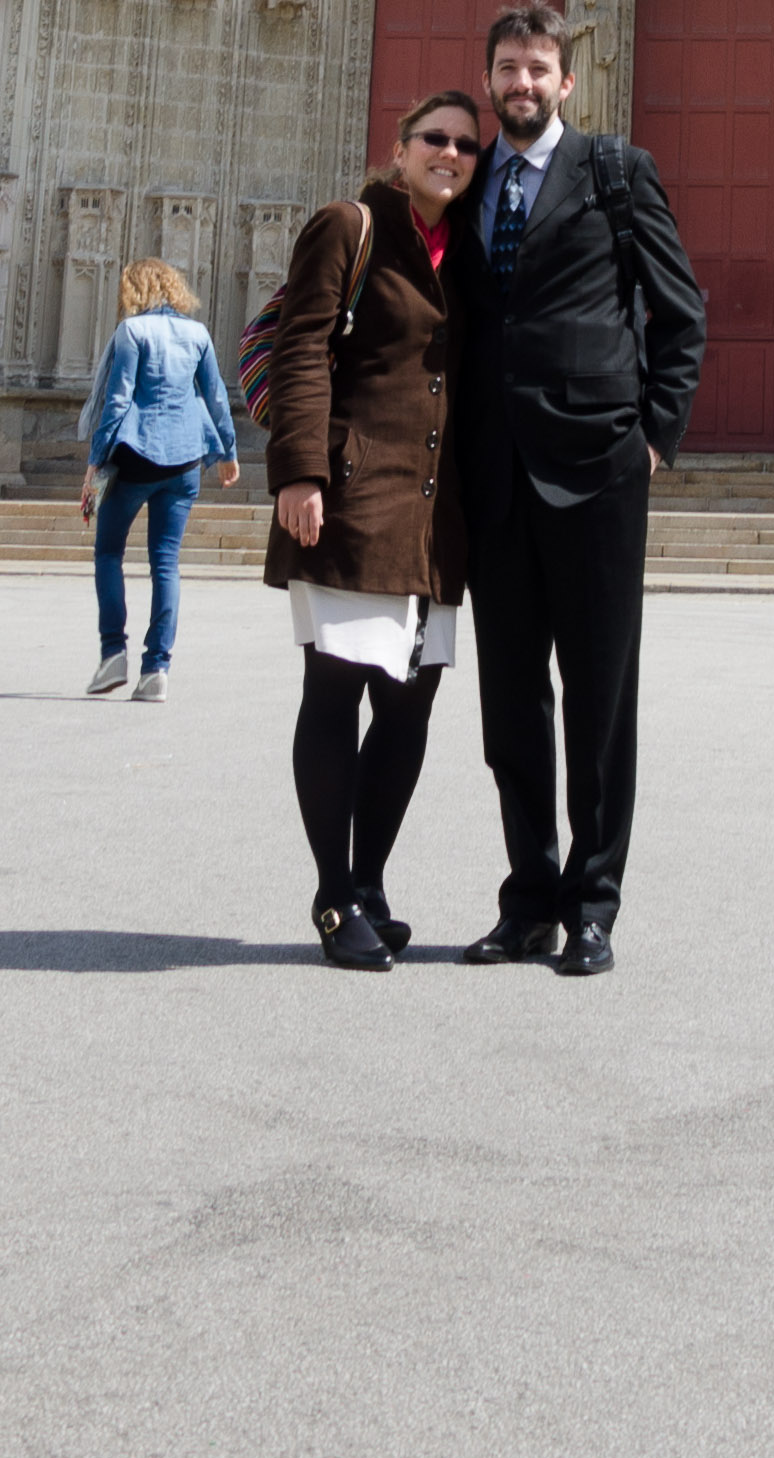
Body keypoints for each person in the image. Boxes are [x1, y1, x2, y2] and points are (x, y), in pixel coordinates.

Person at [453, 0, 706, 978]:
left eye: (538, 67)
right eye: (507, 67)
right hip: (496, 474)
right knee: (511, 704)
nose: (522, 82)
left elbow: (680, 309)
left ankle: (593, 905)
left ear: (566, 80)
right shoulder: (465, 181)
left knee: (599, 700)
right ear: (490, 79)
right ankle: (528, 900)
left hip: (598, 469)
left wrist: (653, 439)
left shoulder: (615, 170)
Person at [268, 91, 487, 968]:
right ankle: (332, 896)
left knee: (408, 705)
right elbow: (299, 347)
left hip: (435, 516)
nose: (450, 153)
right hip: (353, 499)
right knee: (335, 691)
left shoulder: (469, 249)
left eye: (466, 145)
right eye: (434, 138)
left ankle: (369, 882)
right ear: (399, 149)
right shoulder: (347, 225)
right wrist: (301, 471)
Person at [78, 257, 242, 699]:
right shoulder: (198, 333)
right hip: (186, 460)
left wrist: (94, 463)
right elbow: (216, 396)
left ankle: (113, 654)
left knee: (108, 554)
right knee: (166, 563)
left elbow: (117, 402)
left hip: (136, 456)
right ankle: (156, 671)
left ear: (134, 290)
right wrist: (228, 452)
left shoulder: (131, 332)